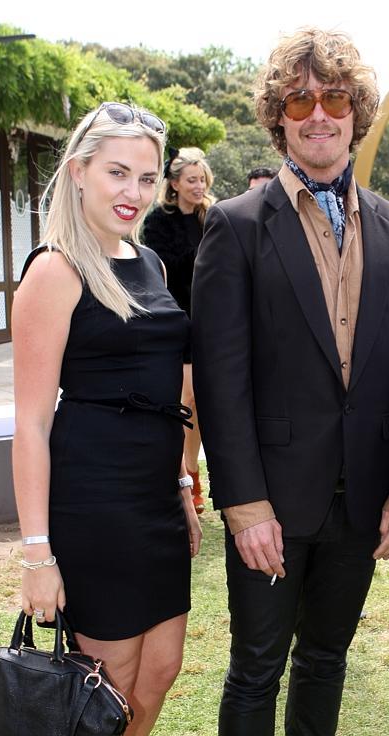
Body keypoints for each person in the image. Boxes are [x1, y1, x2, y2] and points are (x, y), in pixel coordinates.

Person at [192, 27, 389, 736]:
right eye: (299, 101)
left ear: (355, 112)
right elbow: (220, 377)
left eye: (334, 100)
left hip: (361, 496)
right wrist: (242, 503)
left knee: (327, 660)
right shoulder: (235, 225)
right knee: (256, 670)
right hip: (269, 503)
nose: (319, 117)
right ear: (278, 116)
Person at [12, 102, 202, 736]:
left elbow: (176, 390)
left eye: (146, 175)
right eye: (117, 171)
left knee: (160, 673)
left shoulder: (147, 262)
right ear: (80, 171)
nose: (133, 189)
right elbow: (29, 418)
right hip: (93, 501)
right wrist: (36, 552)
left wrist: (187, 485)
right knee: (112, 683)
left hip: (156, 496)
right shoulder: (55, 269)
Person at [142, 147, 215, 514]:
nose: (199, 185)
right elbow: (161, 267)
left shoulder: (212, 217)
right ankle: (188, 475)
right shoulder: (158, 220)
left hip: (210, 321)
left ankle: (194, 469)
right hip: (176, 318)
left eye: (202, 179)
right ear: (174, 184)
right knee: (185, 400)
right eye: (191, 180)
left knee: (201, 403)